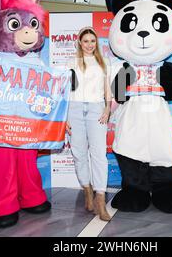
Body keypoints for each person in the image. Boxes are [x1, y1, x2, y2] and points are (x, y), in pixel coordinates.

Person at [66, 27, 112, 221]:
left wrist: (107, 109)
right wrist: (64, 118)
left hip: (96, 109)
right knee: (78, 153)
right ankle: (87, 190)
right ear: (80, 43)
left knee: (99, 154)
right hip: (74, 110)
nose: (89, 44)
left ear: (96, 43)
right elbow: (66, 90)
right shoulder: (72, 62)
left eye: (92, 41)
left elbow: (107, 89)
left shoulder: (104, 62)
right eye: (85, 41)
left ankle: (100, 199)